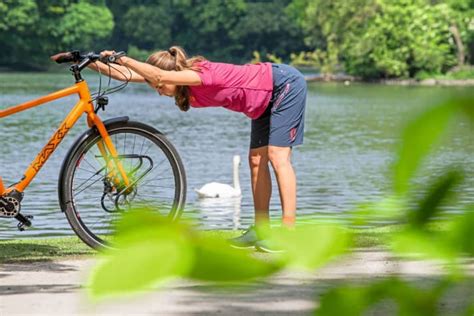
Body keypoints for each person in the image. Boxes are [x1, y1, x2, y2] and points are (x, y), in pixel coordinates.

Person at [92, 46, 307, 253]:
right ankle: (262, 230)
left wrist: (122, 57)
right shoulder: (176, 80)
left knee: (277, 156)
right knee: (256, 161)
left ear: (172, 74)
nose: (158, 91)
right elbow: (126, 75)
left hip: (283, 86)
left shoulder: (200, 75)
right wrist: (87, 62)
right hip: (262, 101)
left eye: (159, 86)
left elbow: (156, 75)